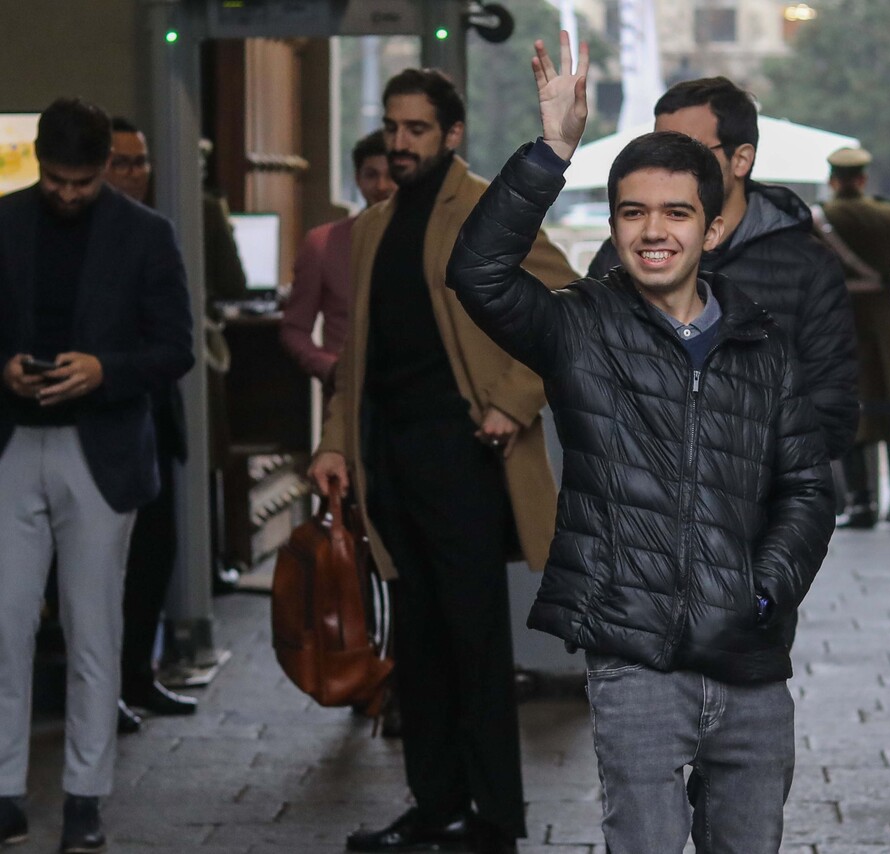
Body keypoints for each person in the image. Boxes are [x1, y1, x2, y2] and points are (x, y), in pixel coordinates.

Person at [447, 34, 835, 853]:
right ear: (615, 223)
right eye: (633, 212)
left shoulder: (765, 346)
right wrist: (551, 152)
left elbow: (807, 489)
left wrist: (765, 592)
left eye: (676, 213)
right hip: (635, 662)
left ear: (713, 227)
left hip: (751, 664)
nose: (653, 231)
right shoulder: (579, 326)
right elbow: (478, 273)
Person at [307, 67, 576, 854]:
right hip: (389, 461)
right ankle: (435, 807)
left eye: (417, 129)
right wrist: (334, 443)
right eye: (392, 126)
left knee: (473, 644)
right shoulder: (373, 225)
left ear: (452, 134)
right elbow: (357, 355)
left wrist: (513, 400)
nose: (399, 142)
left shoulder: (487, 208)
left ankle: (493, 820)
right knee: (416, 646)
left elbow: (564, 306)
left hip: (463, 459)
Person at [0, 97, 194, 854]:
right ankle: (5, 794)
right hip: (13, 442)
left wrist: (103, 369)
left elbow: (175, 348)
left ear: (105, 167)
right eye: (57, 179)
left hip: (101, 448)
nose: (69, 193)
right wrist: (5, 368)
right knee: (5, 627)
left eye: (83, 182)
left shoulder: (146, 234)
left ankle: (85, 797)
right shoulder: (5, 222)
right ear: (39, 162)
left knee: (93, 631)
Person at [586, 76, 856, 462]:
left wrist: (725, 469)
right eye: (659, 148)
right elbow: (584, 383)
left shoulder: (808, 267)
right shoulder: (620, 256)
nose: (666, 167)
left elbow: (831, 416)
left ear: (741, 159)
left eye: (690, 150)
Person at [103, 117, 200, 726]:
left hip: (155, 416)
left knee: (155, 556)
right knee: (102, 569)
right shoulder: (84, 241)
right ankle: (105, 688)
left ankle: (139, 675)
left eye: (141, 162)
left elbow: (175, 339)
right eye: (122, 162)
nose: (135, 173)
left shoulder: (154, 233)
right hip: (101, 423)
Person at [817, 147, 890, 528]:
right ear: (863, 179)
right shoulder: (888, 216)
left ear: (833, 180)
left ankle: (861, 502)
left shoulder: (821, 219)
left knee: (851, 412)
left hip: (840, 323)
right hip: (885, 325)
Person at [280, 131, 394, 390]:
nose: (382, 186)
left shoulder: (431, 241)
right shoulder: (323, 243)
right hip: (348, 393)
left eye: (392, 175)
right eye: (371, 175)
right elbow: (294, 328)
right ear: (357, 179)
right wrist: (329, 368)